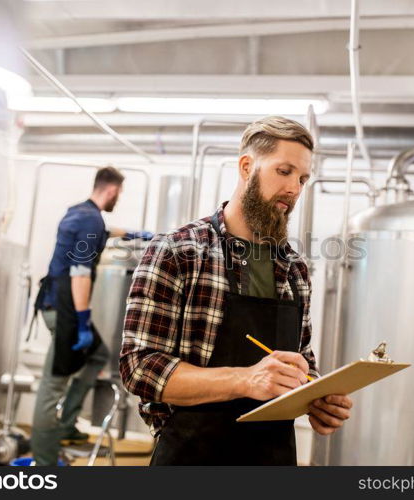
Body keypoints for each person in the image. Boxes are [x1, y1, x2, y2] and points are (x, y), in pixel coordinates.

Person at [120, 116, 353, 466]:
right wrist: (244, 380)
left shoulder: (294, 269)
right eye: (284, 171)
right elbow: (139, 367)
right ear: (247, 166)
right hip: (191, 460)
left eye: (303, 178)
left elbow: (303, 361)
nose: (294, 188)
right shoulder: (178, 251)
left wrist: (314, 396)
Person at [31, 166, 153, 466]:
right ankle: (45, 462)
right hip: (66, 309)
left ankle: (66, 425)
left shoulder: (80, 213)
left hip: (54, 303)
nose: (117, 200)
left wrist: (134, 234)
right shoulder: (90, 220)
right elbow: (80, 274)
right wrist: (83, 321)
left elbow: (104, 232)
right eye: (119, 195)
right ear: (111, 191)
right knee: (53, 385)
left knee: (97, 355)